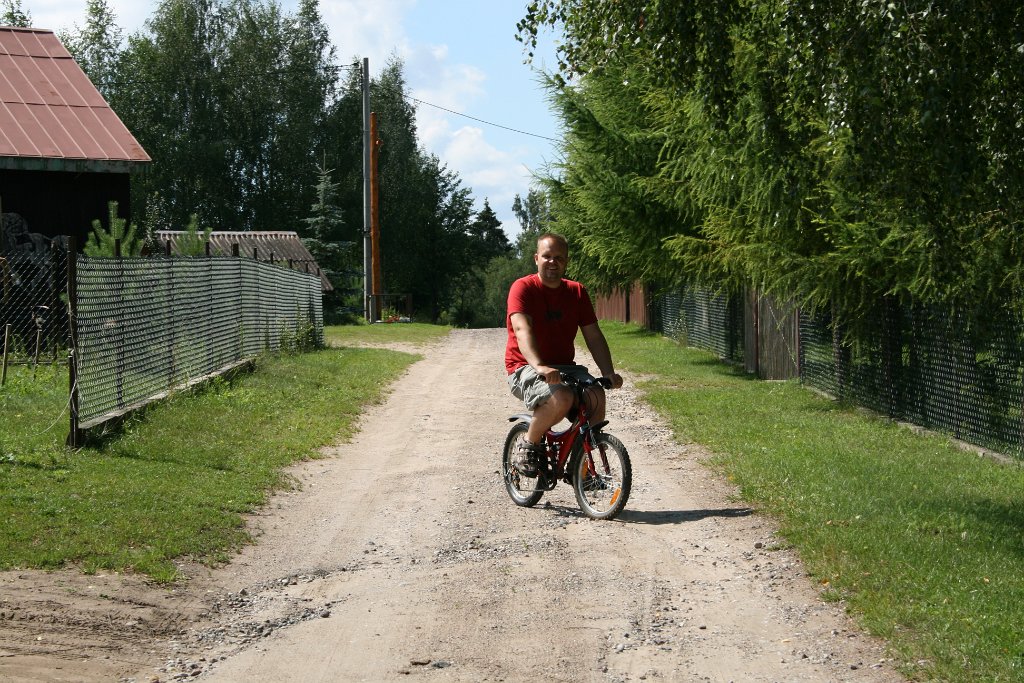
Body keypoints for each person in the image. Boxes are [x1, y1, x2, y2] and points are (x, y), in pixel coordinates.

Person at [504, 232, 623, 477]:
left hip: (564, 367)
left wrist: (608, 373)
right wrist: (539, 366)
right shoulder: (523, 287)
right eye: (547, 256)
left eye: (559, 257)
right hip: (524, 366)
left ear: (566, 261)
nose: (552, 262)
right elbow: (521, 329)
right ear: (536, 258)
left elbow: (593, 335)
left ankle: (580, 468)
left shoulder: (576, 292)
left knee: (596, 395)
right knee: (562, 397)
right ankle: (529, 442)